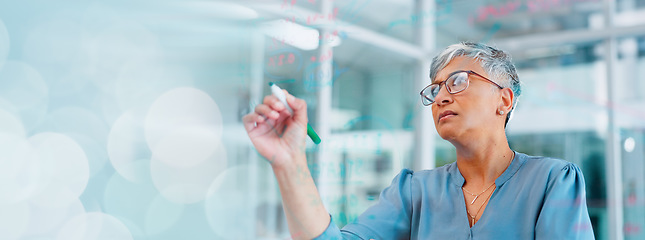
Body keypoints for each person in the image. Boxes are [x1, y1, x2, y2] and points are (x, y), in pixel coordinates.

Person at [242, 42, 595, 239]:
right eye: (435, 89)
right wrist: (290, 162)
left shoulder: (552, 181)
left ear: (504, 100)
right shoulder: (414, 192)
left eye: (458, 81)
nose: (441, 97)